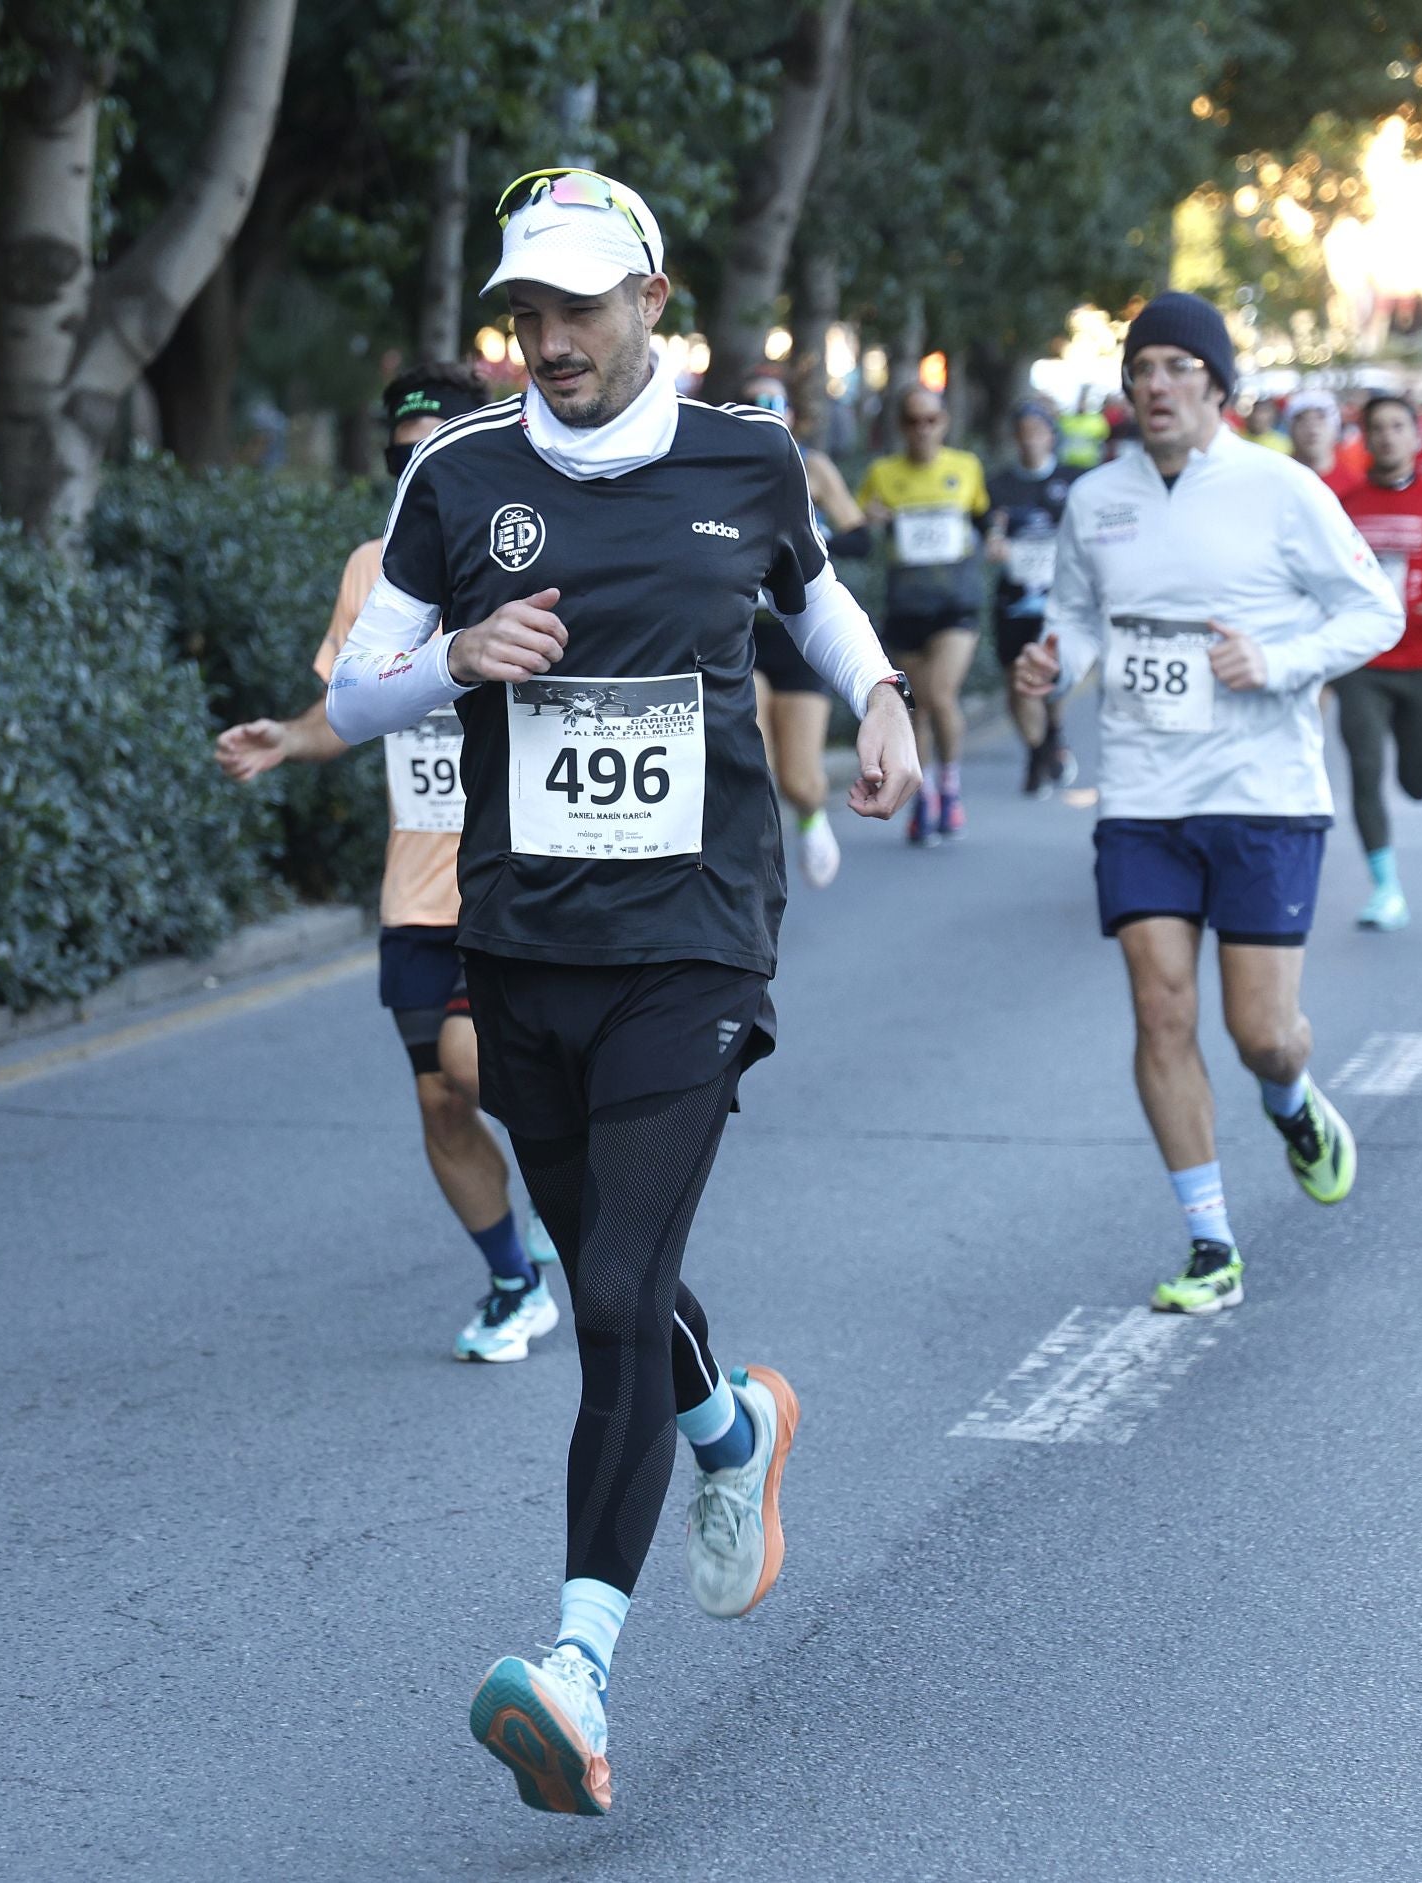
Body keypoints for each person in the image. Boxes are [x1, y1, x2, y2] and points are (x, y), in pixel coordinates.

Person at [324, 165, 917, 1815]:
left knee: (607, 1292)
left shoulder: (747, 459)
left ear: (653, 300)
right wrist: (453, 659)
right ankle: (732, 1428)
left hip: (697, 939)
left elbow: (813, 595)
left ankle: (577, 1665)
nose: (550, 335)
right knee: (609, 1258)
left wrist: (879, 698)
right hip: (521, 946)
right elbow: (360, 686)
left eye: (581, 303)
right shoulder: (458, 479)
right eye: (527, 308)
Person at [1016, 290, 1401, 1316]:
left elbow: (1376, 608)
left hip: (1264, 792)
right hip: (1142, 790)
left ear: (1218, 387)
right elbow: (1080, 618)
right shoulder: (1098, 499)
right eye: (1140, 368)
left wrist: (1275, 659)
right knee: (1159, 1004)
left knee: (1263, 1031)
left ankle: (1292, 1099)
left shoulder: (1284, 490)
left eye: (1176, 367)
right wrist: (1055, 664)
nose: (1153, 384)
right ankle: (1209, 1237)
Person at [215, 362, 561, 1362]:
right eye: (403, 459)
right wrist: (286, 737)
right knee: (440, 1095)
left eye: (436, 455)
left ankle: (567, 1167)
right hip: (417, 883)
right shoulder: (376, 567)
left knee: (473, 1062)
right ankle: (514, 1280)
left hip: (528, 879)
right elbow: (349, 709)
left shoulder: (537, 546)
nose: (417, 475)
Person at [1335, 392, 1422, 930]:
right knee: (1365, 772)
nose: (1389, 436)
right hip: (1363, 664)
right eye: (1379, 428)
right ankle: (1385, 890)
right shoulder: (1344, 503)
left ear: (1417, 437)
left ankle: (1415, 769)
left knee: (1417, 783)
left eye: (1399, 427)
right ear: (1365, 439)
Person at [741, 369, 872, 888]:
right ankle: (752, 860)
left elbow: (861, 539)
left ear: (792, 413)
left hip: (797, 635)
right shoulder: (721, 472)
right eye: (752, 403)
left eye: (773, 401)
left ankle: (811, 815)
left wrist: (807, 548)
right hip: (741, 636)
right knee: (754, 761)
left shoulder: (812, 469)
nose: (765, 410)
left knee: (800, 778)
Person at [857, 385, 989, 843]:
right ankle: (928, 794)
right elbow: (858, 524)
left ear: (944, 422)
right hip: (907, 604)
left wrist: (993, 539)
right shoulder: (882, 473)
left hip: (957, 602)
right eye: (913, 421)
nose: (923, 430)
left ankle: (950, 787)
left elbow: (983, 520)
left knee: (939, 695)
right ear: (902, 426)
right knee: (919, 711)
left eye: (931, 420)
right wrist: (870, 519)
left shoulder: (965, 468)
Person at [983, 399, 1080, 795]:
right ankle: (1040, 749)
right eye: (1022, 433)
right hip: (1015, 600)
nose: (1030, 440)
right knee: (1016, 683)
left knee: (1052, 676)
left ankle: (1049, 740)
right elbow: (986, 533)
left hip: (1062, 600)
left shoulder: (1076, 480)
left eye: (1037, 431)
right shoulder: (999, 485)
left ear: (1051, 435)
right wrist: (993, 541)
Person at [1285, 390, 1364, 496]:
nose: (1312, 428)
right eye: (1302, 420)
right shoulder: (1277, 480)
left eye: (1320, 418)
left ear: (1335, 428)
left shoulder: (1355, 486)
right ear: (1291, 430)